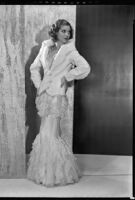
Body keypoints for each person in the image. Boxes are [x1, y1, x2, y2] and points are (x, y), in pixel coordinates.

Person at [27, 19, 90, 187]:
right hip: (44, 94)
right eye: (63, 31)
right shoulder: (44, 46)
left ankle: (55, 175)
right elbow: (34, 68)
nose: (67, 34)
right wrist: (39, 84)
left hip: (57, 96)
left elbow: (85, 67)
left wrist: (68, 77)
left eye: (68, 32)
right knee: (44, 132)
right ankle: (44, 172)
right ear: (56, 31)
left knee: (50, 133)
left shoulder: (70, 50)